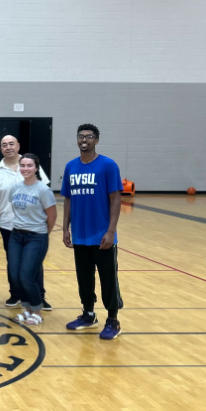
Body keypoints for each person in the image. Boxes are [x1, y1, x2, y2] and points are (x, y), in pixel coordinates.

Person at [62, 124, 124, 340]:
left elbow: (116, 199)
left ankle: (113, 320)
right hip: (80, 235)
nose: (84, 140)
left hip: (102, 235)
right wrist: (65, 228)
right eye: (81, 136)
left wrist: (111, 230)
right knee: (84, 278)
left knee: (108, 279)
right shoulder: (71, 167)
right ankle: (88, 314)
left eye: (89, 136)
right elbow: (68, 200)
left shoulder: (108, 165)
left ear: (97, 140)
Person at [0, 135, 52, 309]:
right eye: (4, 145)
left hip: (34, 227)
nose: (8, 147)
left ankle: (39, 296)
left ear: (18, 145)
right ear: (1, 149)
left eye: (11, 144)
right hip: (9, 226)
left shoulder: (30, 165)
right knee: (13, 263)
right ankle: (16, 295)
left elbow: (44, 192)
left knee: (34, 264)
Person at [5, 154, 56, 326]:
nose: (25, 168)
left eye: (29, 165)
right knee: (15, 275)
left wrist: (42, 234)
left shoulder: (43, 190)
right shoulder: (15, 188)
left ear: (36, 168)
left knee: (27, 276)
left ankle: (37, 311)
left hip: (36, 237)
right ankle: (26, 311)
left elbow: (52, 216)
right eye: (23, 165)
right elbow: (16, 209)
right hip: (16, 236)